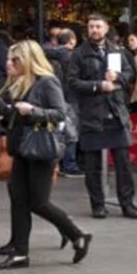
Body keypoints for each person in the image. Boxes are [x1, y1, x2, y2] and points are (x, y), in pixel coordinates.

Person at [0, 40, 90, 270]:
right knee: (19, 198)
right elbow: (16, 117)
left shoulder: (47, 82)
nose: (10, 64)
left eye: (15, 60)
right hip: (23, 147)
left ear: (28, 60)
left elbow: (60, 113)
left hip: (41, 148)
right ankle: (20, 252)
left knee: (39, 202)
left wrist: (33, 110)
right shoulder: (22, 83)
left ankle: (77, 235)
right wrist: (2, 108)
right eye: (9, 60)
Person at [67, 13, 137, 220]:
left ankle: (127, 204)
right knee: (93, 166)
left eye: (98, 26)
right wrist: (97, 86)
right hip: (92, 114)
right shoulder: (79, 54)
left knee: (123, 164)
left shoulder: (117, 51)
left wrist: (118, 77)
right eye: (91, 27)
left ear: (106, 28)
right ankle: (97, 205)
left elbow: (130, 74)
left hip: (115, 113)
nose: (94, 30)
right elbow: (72, 82)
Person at [54, 28, 83, 178]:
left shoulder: (49, 55)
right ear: (72, 40)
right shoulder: (73, 56)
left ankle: (55, 163)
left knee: (58, 131)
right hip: (70, 97)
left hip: (54, 96)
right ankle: (69, 164)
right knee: (71, 132)